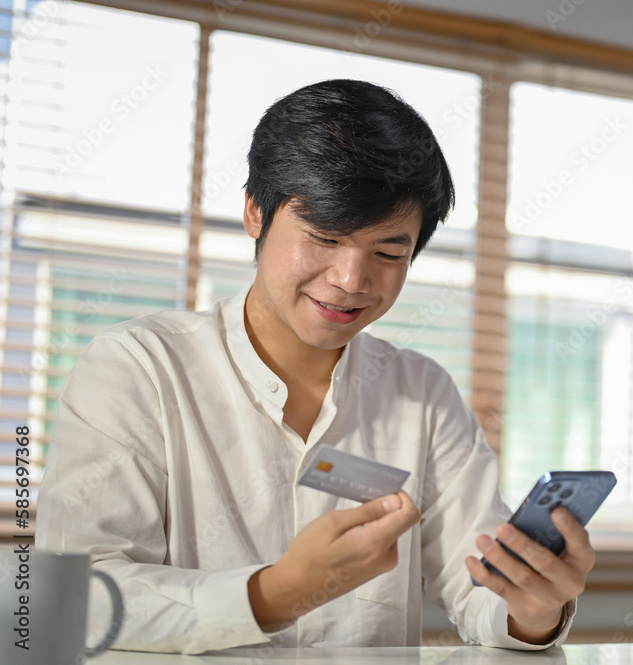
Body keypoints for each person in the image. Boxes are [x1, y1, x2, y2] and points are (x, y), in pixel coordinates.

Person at [36, 79, 596, 653]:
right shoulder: (138, 370)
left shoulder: (423, 394)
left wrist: (533, 607)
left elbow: (480, 589)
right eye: (325, 237)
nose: (351, 281)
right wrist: (276, 593)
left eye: (387, 253)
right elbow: (80, 600)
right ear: (255, 212)